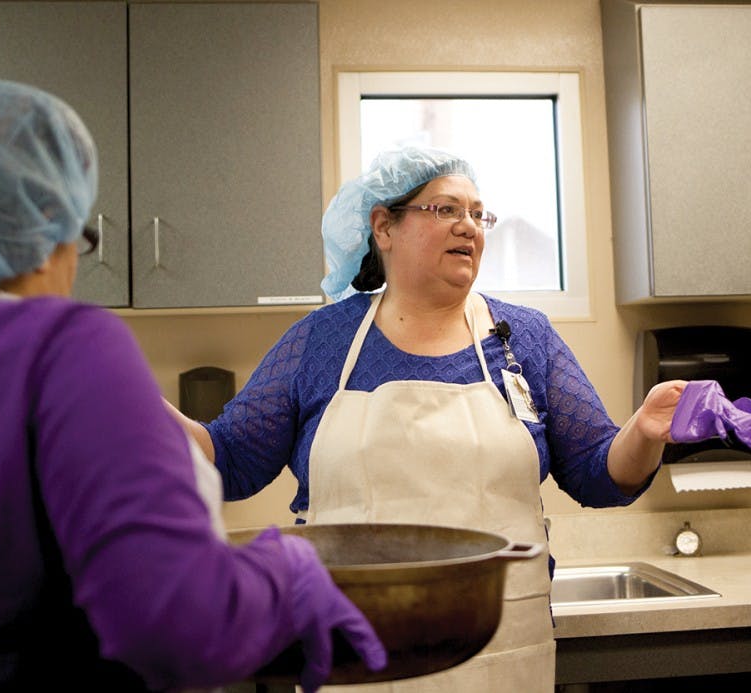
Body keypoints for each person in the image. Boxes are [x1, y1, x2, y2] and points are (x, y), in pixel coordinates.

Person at [0, 78, 386, 692]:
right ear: (43, 229)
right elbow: (183, 622)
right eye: (78, 236)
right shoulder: (55, 347)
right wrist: (286, 572)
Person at [167, 146, 697, 691]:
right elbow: (227, 460)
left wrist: (645, 432)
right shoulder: (321, 341)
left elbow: (597, 472)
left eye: (477, 213)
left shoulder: (526, 338)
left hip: (503, 652)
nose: (469, 226)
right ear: (384, 228)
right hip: (352, 655)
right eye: (446, 210)